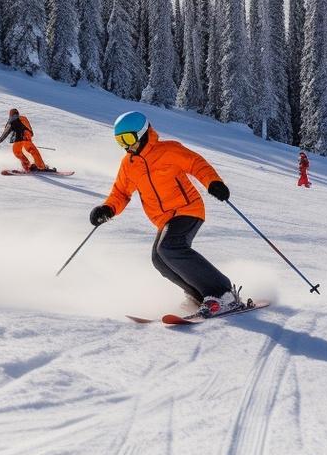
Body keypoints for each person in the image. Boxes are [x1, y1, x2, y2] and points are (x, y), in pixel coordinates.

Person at [89, 112, 240, 316]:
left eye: (128, 139)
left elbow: (197, 164)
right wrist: (108, 208)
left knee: (169, 247)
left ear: (142, 133)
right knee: (159, 259)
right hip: (164, 219)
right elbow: (121, 192)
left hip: (188, 209)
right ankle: (201, 295)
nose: (125, 146)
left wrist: (213, 182)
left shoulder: (168, 150)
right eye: (119, 141)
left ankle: (223, 294)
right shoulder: (129, 165)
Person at [0, 108, 53, 172]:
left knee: (25, 151)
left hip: (22, 140)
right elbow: (4, 135)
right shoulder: (16, 121)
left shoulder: (17, 121)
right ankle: (34, 167)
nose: (15, 116)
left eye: (15, 115)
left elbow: (5, 134)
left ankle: (35, 167)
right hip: (22, 140)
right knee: (24, 152)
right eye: (14, 115)